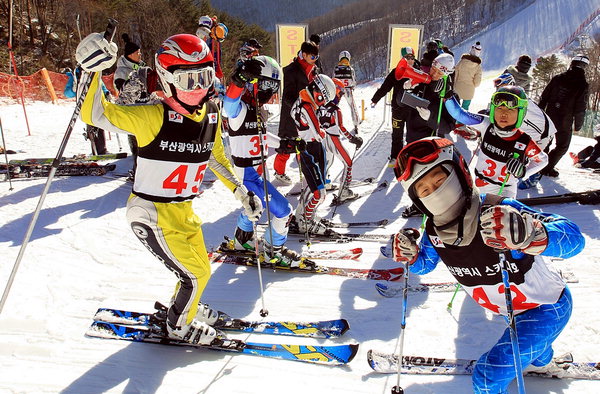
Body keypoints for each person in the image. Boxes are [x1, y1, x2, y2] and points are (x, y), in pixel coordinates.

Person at [76, 32, 262, 345]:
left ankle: (184, 306)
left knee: (200, 268)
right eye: (189, 81)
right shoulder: (152, 117)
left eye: (204, 77)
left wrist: (241, 192)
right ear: (167, 79)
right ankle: (180, 326)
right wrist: (93, 70)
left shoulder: (212, 115)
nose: (200, 87)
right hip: (151, 213)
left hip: (183, 213)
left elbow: (217, 159)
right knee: (196, 275)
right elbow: (95, 113)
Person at [391, 136, 584, 394]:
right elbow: (424, 265)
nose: (435, 191)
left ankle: (538, 356)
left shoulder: (497, 212)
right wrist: (411, 255)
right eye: (424, 190)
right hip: (513, 314)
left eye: (440, 179)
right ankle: (542, 361)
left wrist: (532, 234)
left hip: (547, 307)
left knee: (487, 378)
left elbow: (574, 238)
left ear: (459, 173)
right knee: (534, 351)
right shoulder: (435, 231)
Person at [221, 55, 302, 266]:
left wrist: (284, 143)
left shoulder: (256, 110)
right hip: (247, 175)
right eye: (266, 84)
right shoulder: (239, 110)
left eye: (273, 86)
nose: (269, 91)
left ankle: (242, 239)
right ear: (253, 82)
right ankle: (272, 251)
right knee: (284, 211)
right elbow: (227, 108)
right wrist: (238, 80)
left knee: (256, 207)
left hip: (255, 172)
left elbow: (262, 137)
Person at [447, 85, 547, 199]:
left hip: (504, 191)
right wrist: (447, 95)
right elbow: (459, 114)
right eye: (499, 108)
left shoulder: (523, 140)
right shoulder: (486, 125)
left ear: (520, 113)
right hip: (479, 185)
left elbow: (542, 160)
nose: (504, 114)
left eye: (510, 109)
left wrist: (522, 173)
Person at [288, 74, 337, 235]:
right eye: (323, 100)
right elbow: (318, 133)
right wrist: (323, 131)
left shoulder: (302, 100)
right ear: (319, 93)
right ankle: (305, 221)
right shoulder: (307, 106)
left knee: (312, 188)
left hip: (309, 147)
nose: (322, 104)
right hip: (310, 149)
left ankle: (304, 215)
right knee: (319, 192)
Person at [273, 41, 319, 185]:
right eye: (312, 57)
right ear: (304, 54)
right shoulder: (292, 70)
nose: (315, 60)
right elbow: (287, 95)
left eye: (316, 57)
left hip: (308, 114)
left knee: (304, 145)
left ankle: (307, 171)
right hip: (292, 114)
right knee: (287, 146)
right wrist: (298, 108)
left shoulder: (314, 69)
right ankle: (279, 173)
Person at [538, 54, 589, 178]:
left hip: (548, 115)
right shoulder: (582, 84)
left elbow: (544, 97)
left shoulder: (558, 78)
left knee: (545, 142)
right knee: (562, 146)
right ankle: (547, 168)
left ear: (572, 63)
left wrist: (539, 113)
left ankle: (538, 166)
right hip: (565, 120)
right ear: (584, 67)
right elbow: (580, 107)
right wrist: (578, 124)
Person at [371, 47, 423, 162]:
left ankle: (411, 157)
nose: (410, 60)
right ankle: (396, 157)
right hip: (398, 109)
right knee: (397, 135)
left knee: (412, 135)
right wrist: (375, 99)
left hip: (412, 110)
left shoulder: (419, 71)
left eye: (412, 57)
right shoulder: (396, 71)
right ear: (402, 58)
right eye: (407, 57)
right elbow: (385, 87)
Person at [319, 78, 363, 202]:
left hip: (324, 139)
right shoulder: (335, 110)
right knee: (348, 163)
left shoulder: (320, 105)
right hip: (333, 139)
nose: (341, 96)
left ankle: (324, 184)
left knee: (326, 162)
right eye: (341, 93)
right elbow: (341, 128)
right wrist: (353, 139)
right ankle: (344, 191)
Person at [113, 33, 149, 177]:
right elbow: (122, 91)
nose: (140, 54)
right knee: (136, 143)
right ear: (131, 54)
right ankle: (137, 173)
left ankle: (145, 171)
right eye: (138, 52)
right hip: (132, 112)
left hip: (146, 109)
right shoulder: (122, 71)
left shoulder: (141, 67)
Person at [333, 50, 360, 128]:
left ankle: (333, 124)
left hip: (338, 90)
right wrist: (352, 87)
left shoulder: (336, 68)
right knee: (352, 107)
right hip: (348, 90)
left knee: (334, 107)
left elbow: (333, 80)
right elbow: (354, 81)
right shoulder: (350, 69)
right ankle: (355, 124)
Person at [453, 41, 482, 110]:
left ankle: (452, 120)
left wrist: (454, 83)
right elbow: (477, 82)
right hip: (469, 90)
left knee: (456, 106)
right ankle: (461, 121)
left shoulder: (462, 61)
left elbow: (455, 74)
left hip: (458, 87)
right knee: (465, 108)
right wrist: (472, 85)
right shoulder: (478, 66)